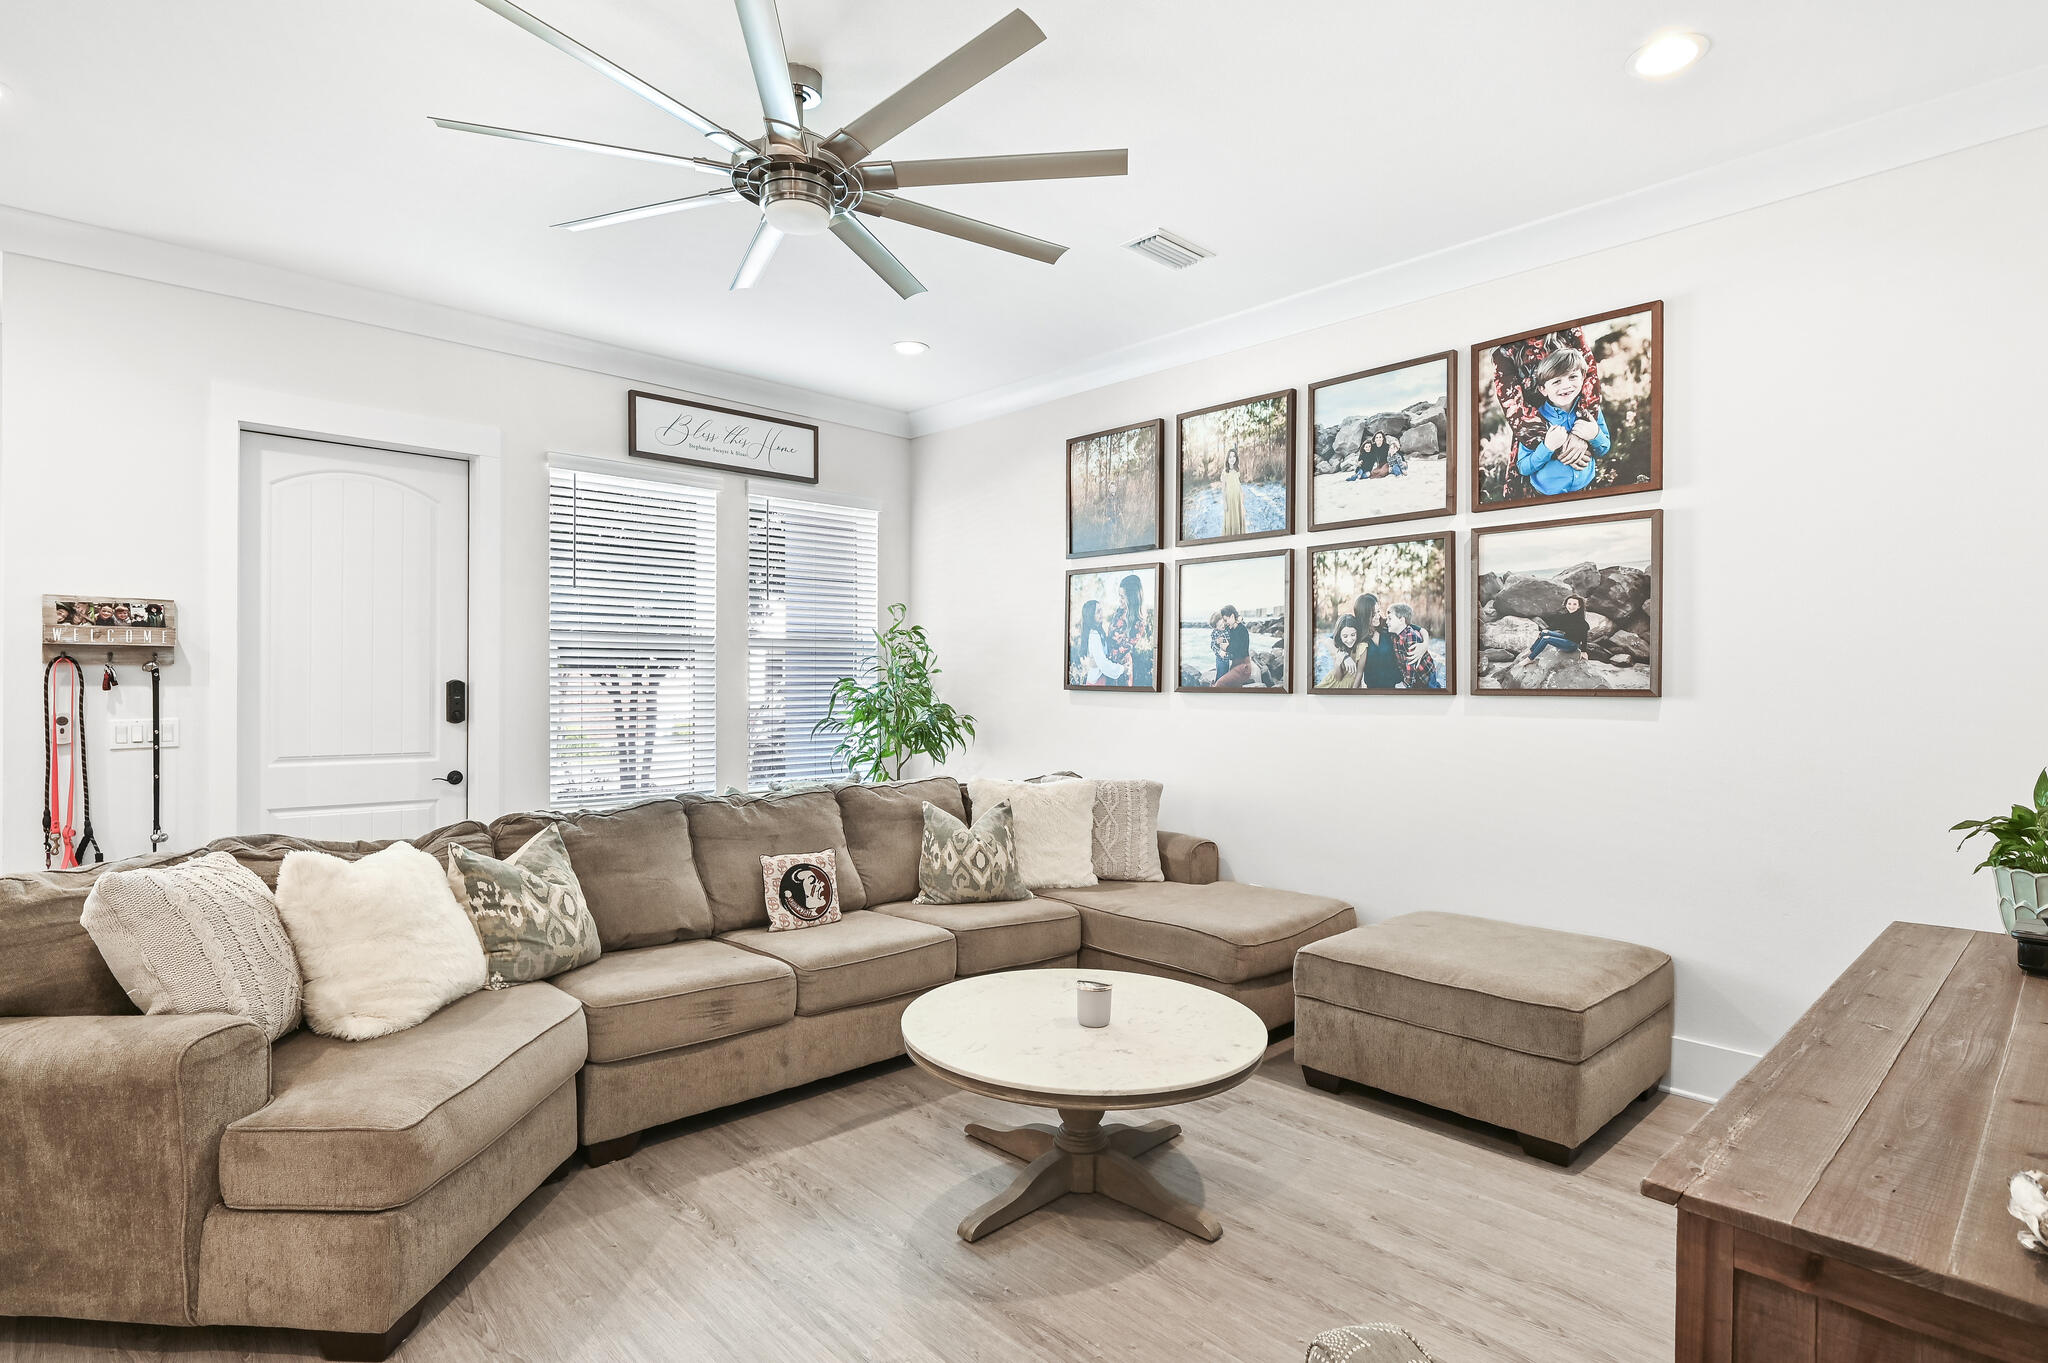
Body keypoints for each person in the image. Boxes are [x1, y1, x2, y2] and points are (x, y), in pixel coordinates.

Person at [1514, 348, 1610, 496]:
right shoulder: (1534, 420)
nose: (1566, 386)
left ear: (1583, 378)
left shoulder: (1590, 410)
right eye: (1557, 381)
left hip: (1587, 488)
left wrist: (1595, 434)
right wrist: (1547, 447)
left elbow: (1604, 448)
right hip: (1547, 496)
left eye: (1572, 377)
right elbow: (1523, 467)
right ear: (1543, 389)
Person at [1103, 573, 1148, 688]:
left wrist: (1106, 662)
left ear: (1132, 597)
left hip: (1122, 668)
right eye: (1119, 596)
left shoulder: (1138, 621)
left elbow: (1125, 647)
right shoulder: (1119, 611)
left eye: (1122, 597)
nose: (1120, 600)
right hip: (1108, 664)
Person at [1524, 594, 1590, 663]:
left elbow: (1584, 636)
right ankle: (1531, 651)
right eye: (1569, 604)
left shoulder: (1581, 620)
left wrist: (1583, 651)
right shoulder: (1565, 616)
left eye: (1574, 604)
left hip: (1571, 645)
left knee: (1546, 639)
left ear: (1579, 606)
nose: (1571, 606)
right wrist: (1544, 631)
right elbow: (1554, 627)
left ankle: (1530, 659)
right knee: (1544, 632)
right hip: (1566, 637)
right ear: (1566, 604)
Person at [1075, 598, 1124, 686]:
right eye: (1098, 612)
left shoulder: (1098, 632)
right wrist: (1121, 669)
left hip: (1099, 680)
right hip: (1096, 682)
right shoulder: (1094, 635)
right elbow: (1102, 663)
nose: (1101, 613)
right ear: (1091, 616)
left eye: (1101, 610)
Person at [1391, 604, 1441, 689]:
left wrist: (1406, 684)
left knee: (1432, 691)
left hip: (1425, 675)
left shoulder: (1410, 634)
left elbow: (1410, 663)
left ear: (1401, 620)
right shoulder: (1394, 635)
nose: (1387, 621)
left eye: (1389, 618)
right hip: (1414, 676)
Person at [1212, 604, 1256, 686]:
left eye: (1225, 620)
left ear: (1232, 616)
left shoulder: (1242, 630)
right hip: (1235, 665)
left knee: (1220, 684)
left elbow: (1241, 651)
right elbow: (1219, 633)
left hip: (1244, 666)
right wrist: (1218, 642)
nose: (1224, 623)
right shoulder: (1230, 629)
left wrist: (1227, 647)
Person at [1319, 615, 1364, 688]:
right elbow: (1338, 677)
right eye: (1345, 636)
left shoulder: (1361, 646)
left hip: (1353, 685)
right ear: (1340, 636)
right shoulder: (1338, 647)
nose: (1349, 640)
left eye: (1353, 635)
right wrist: (1342, 658)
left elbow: (1359, 675)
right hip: (1335, 682)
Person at [1221, 447, 1245, 537]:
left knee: (1239, 516)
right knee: (1231, 518)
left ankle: (1239, 535)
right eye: (1230, 457)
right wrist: (1224, 502)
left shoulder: (1237, 470)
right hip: (1230, 500)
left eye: (1234, 456)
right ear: (1227, 459)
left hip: (1237, 498)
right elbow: (1223, 489)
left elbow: (1238, 484)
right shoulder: (1225, 472)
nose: (1232, 459)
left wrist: (1242, 496)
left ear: (1236, 458)